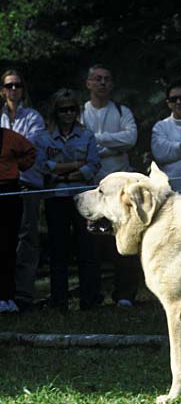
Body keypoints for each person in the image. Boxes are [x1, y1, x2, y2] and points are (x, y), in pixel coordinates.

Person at [36, 88, 101, 312]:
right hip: (56, 198)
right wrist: (75, 166)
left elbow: (93, 165)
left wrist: (63, 172)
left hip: (83, 198)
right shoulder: (43, 137)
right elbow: (44, 167)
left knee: (87, 249)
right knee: (58, 250)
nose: (68, 114)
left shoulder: (87, 135)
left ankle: (90, 300)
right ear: (56, 112)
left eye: (72, 109)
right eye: (63, 110)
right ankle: (59, 301)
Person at [82, 64, 141, 307]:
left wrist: (97, 142)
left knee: (124, 238)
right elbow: (81, 144)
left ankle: (125, 295)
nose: (103, 83)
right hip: (93, 187)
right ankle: (92, 295)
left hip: (120, 189)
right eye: (97, 79)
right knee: (92, 243)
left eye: (107, 79)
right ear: (88, 84)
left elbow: (131, 138)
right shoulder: (81, 113)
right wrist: (110, 146)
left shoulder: (121, 110)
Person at [0, 69, 46, 312]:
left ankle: (24, 295)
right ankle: (5, 293)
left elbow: (32, 145)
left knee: (26, 240)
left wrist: (7, 159)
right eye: (9, 86)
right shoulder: (0, 118)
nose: (13, 90)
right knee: (4, 242)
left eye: (17, 85)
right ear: (2, 90)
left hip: (27, 184)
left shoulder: (34, 117)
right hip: (4, 188)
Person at [0, 127, 36, 312]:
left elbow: (30, 151)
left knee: (8, 246)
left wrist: (18, 165)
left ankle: (8, 296)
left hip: (8, 192)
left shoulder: (9, 136)